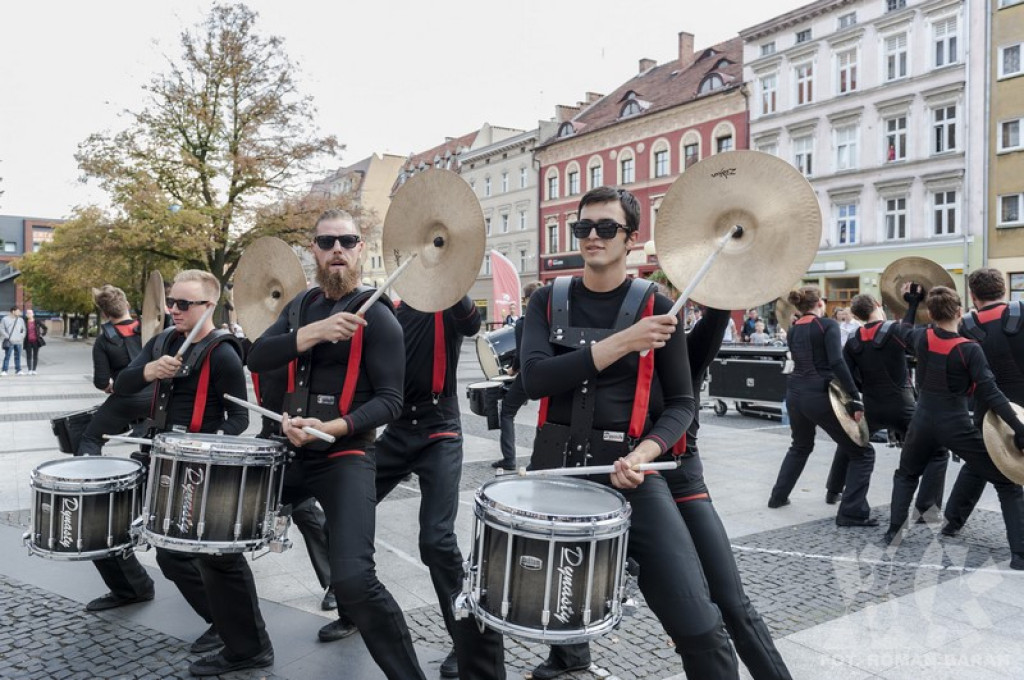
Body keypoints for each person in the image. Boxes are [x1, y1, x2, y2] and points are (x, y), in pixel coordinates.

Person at [514, 186, 739, 679]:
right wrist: (622, 343)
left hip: (630, 472)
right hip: (556, 473)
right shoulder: (546, 301)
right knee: (516, 602)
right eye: (583, 228)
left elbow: (682, 403)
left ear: (631, 238)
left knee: (699, 622)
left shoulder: (657, 306)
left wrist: (646, 453)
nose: (593, 237)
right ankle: (563, 659)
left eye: (606, 228)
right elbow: (534, 380)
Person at [538, 304, 793, 680]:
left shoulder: (684, 346)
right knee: (572, 574)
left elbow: (718, 309)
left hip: (680, 478)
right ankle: (568, 655)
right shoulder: (611, 343)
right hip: (623, 478)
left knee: (731, 604)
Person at [245, 209, 426, 680]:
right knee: (214, 537)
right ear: (314, 251)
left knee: (355, 581)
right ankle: (244, 645)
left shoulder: (379, 315)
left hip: (345, 454)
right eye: (327, 243)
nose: (337, 250)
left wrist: (336, 426)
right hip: (288, 452)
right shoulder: (300, 308)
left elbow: (390, 402)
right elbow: (256, 355)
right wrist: (312, 334)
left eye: (347, 240)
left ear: (361, 248)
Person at [115, 269, 273, 677]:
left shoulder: (222, 353)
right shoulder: (164, 341)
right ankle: (222, 624)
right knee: (170, 554)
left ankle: (244, 638)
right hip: (164, 464)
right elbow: (124, 383)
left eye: (183, 304)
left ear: (209, 308)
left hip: (202, 469)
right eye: (171, 302)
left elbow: (239, 418)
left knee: (217, 557)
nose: (173, 310)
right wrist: (150, 372)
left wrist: (202, 443)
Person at [363, 292, 495, 678]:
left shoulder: (446, 302)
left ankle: (467, 641)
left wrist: (453, 285)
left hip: (440, 431)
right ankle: (350, 602)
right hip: (399, 430)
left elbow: (472, 324)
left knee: (437, 541)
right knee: (345, 509)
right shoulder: (388, 311)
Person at [881, 286, 1024, 565]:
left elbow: (903, 328)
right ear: (959, 312)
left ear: (931, 314)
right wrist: (1018, 427)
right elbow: (992, 393)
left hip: (922, 421)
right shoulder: (969, 349)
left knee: (906, 475)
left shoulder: (922, 337)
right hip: (955, 425)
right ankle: (1019, 554)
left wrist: (912, 303)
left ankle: (893, 532)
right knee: (1007, 484)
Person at [75, 285, 158, 614]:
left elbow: (100, 381)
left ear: (103, 312)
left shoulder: (104, 337)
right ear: (125, 305)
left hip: (125, 398)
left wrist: (115, 385)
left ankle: (93, 481)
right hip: (154, 399)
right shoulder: (150, 327)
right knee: (146, 440)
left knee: (90, 438)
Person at [767, 285, 878, 526]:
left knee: (800, 445)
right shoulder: (826, 325)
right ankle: (852, 512)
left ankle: (777, 497)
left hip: (795, 393)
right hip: (819, 393)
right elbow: (837, 362)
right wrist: (854, 396)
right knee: (862, 452)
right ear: (819, 303)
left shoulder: (794, 328)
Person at [841, 289, 947, 526]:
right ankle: (927, 511)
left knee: (856, 452)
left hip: (871, 406)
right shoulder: (894, 330)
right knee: (937, 451)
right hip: (902, 406)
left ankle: (847, 508)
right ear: (878, 305)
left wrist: (857, 396)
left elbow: (847, 375)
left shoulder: (852, 340)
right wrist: (913, 305)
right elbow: (909, 334)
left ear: (857, 316)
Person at [942, 269, 1024, 541]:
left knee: (980, 462)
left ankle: (953, 521)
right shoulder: (1021, 313)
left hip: (986, 407)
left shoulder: (964, 325)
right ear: (1004, 290)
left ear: (973, 295)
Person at [494, 281, 543, 471]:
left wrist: (512, 370)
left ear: (526, 299)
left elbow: (522, 354)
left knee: (507, 411)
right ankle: (541, 459)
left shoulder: (523, 323)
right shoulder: (551, 319)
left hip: (530, 375)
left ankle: (509, 459)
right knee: (549, 417)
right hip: (554, 373)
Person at [1, 306, 26, 375]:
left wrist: (21, 337)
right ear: (13, 311)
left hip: (19, 341)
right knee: (7, 356)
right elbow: (2, 329)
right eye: (18, 311)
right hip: (10, 341)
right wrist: (8, 337)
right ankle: (4, 370)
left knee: (18, 356)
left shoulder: (21, 320)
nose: (19, 313)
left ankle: (18, 370)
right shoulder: (5, 319)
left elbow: (23, 330)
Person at [23, 310, 46, 374]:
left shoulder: (37, 321)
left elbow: (45, 328)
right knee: (28, 355)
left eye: (30, 313)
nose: (29, 314)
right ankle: (29, 370)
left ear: (33, 314)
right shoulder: (24, 321)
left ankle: (34, 370)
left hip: (36, 341)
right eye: (27, 313)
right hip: (28, 341)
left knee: (35, 355)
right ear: (26, 315)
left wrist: (42, 334)